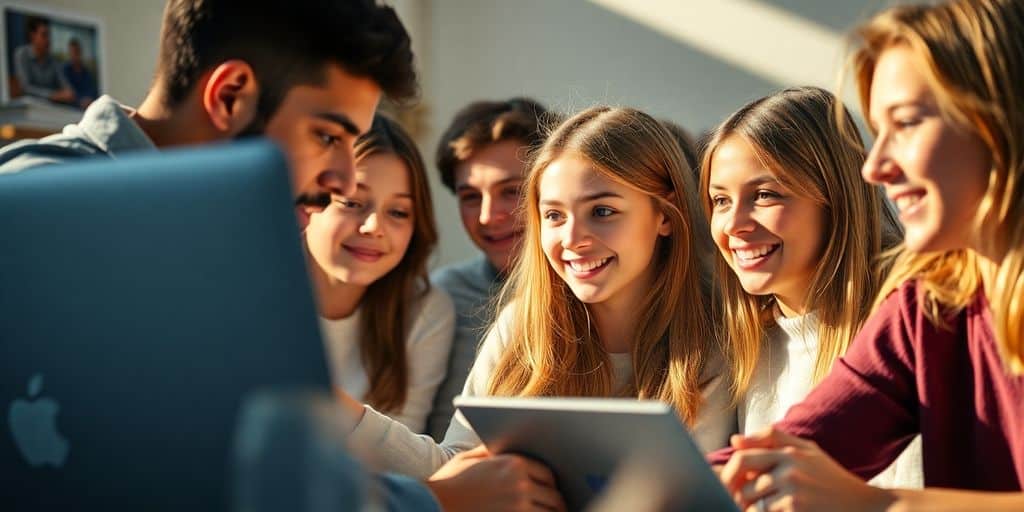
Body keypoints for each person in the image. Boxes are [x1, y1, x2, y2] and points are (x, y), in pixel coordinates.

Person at [0, 1, 546, 510]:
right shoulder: (33, 207)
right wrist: (436, 500)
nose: (341, 183)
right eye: (328, 136)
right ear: (231, 95)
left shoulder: (226, 240)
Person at [715, 1, 1024, 510]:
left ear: (1000, 119)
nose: (875, 167)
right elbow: (793, 448)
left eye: (905, 124)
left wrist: (877, 505)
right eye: (877, 132)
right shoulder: (928, 307)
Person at [337, 106, 733, 493]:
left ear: (665, 213)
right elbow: (460, 470)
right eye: (554, 216)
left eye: (602, 211)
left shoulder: (715, 338)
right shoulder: (523, 327)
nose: (572, 238)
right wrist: (337, 410)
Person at [701, 86, 920, 489]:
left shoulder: (913, 327)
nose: (733, 225)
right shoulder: (743, 349)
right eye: (720, 200)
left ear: (834, 197)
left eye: (764, 195)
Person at [306, 114, 454, 433]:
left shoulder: (425, 310)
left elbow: (403, 458)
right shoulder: (251, 294)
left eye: (398, 212)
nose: (374, 227)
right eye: (352, 202)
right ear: (308, 204)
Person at [426, 97, 551, 441]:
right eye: (470, 197)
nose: (487, 216)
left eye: (511, 191)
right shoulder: (442, 296)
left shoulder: (600, 296)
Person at [12, 16, 74, 104]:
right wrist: (52, 95)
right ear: (32, 36)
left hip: (49, 110)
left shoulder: (53, 61)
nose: (48, 40)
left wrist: (67, 93)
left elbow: (67, 89)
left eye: (49, 36)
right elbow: (25, 87)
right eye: (44, 35)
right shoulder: (21, 54)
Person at [61, 38, 99, 109]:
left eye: (77, 52)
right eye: (72, 52)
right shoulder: (65, 70)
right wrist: (80, 100)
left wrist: (89, 100)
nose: (75, 55)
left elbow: (93, 91)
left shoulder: (86, 72)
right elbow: (67, 92)